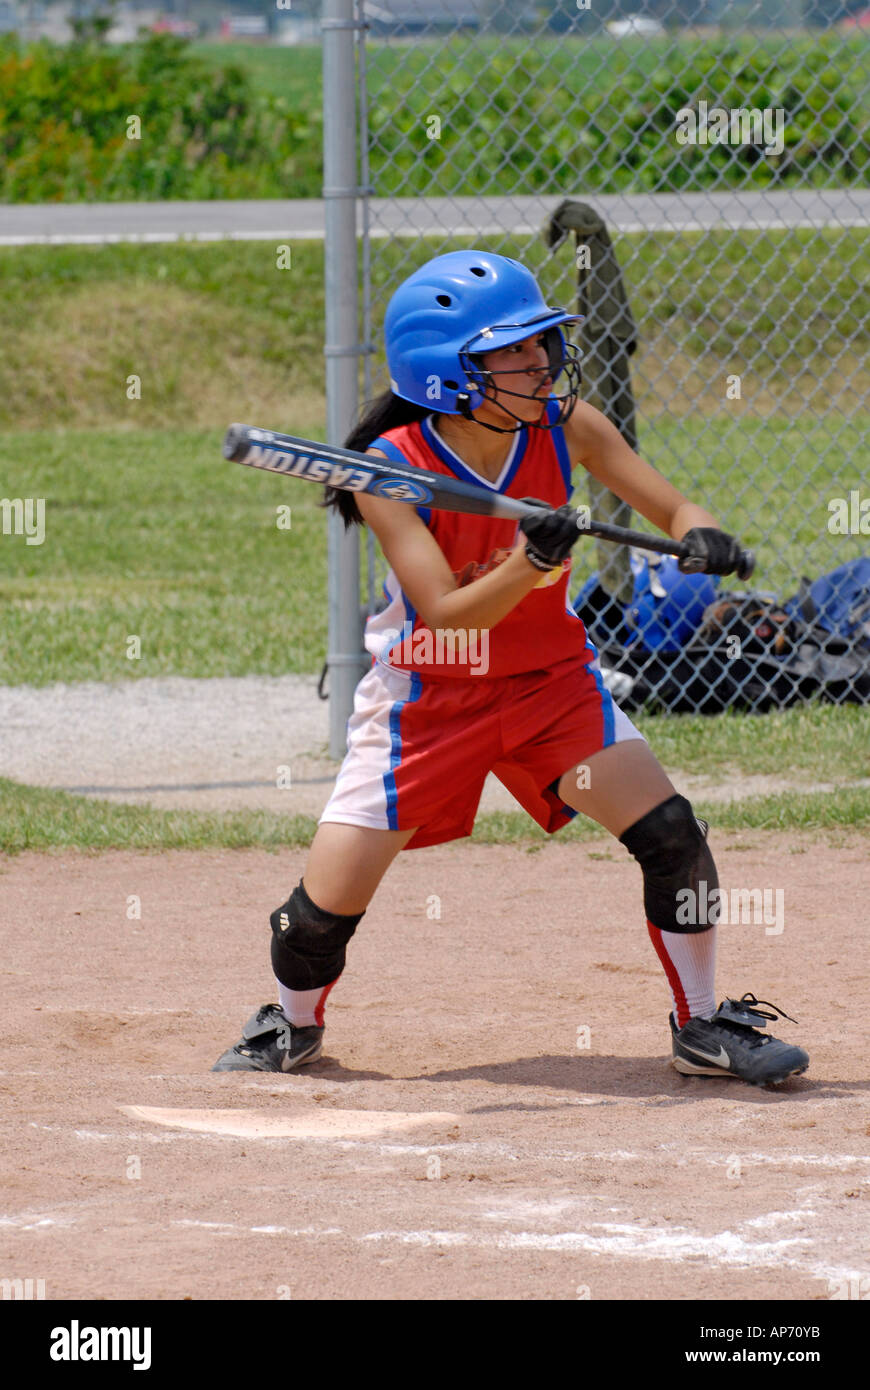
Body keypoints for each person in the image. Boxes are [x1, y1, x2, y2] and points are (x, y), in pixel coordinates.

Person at [212, 250, 808, 1087]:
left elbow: (669, 504)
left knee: (672, 836)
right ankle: (293, 1021)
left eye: (542, 344)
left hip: (548, 686)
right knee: (321, 916)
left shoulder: (564, 425)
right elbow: (447, 615)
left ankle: (703, 1024)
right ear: (449, 374)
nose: (542, 361)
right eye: (513, 351)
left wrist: (698, 532)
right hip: (427, 696)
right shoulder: (391, 469)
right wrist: (529, 562)